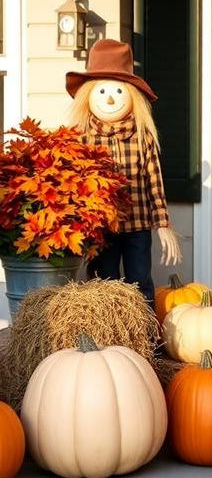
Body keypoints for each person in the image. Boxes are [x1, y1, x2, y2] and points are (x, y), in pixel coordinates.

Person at [66, 38, 182, 309]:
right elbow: (73, 184)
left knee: (140, 281)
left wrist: (163, 225)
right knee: (103, 282)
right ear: (89, 94)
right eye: (103, 90)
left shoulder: (143, 136)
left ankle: (144, 337)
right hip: (101, 227)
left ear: (132, 96)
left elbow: (155, 183)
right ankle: (105, 333)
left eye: (118, 91)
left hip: (138, 225)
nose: (109, 98)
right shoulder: (81, 138)